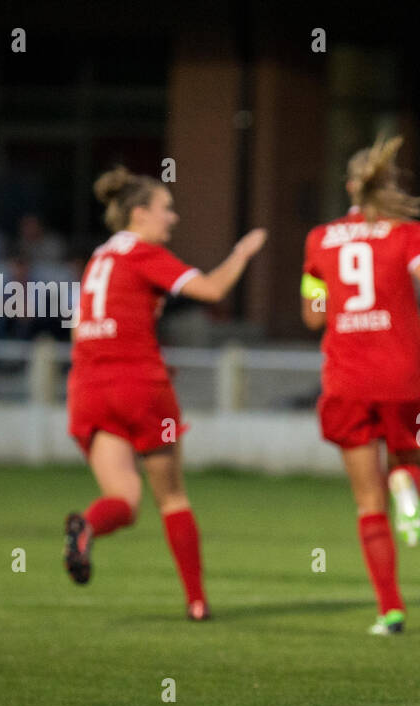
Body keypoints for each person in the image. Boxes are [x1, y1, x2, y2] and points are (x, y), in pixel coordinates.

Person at [63, 166, 267, 620]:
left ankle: (87, 526)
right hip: (138, 384)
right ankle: (196, 602)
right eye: (166, 209)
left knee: (125, 499)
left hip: (87, 387)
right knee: (172, 497)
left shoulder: (99, 258)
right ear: (140, 213)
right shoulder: (142, 253)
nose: (173, 219)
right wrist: (242, 252)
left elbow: (79, 326)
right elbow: (212, 289)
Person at [301, 136, 420, 635]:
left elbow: (312, 316)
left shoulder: (319, 240)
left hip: (346, 377)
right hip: (402, 373)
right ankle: (407, 485)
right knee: (408, 465)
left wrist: (324, 295)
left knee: (366, 503)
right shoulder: (408, 233)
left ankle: (390, 610)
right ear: (388, 187)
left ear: (351, 188)